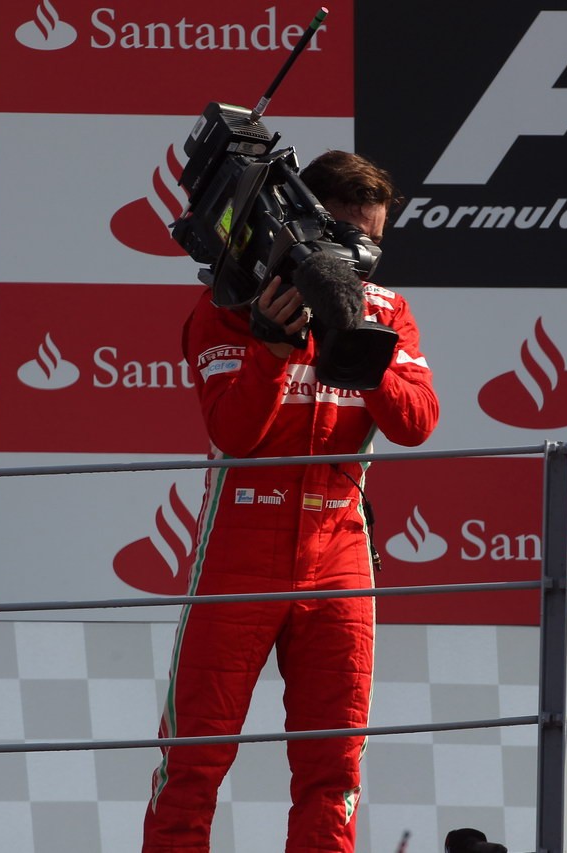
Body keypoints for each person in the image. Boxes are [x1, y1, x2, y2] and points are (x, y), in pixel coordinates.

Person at [143, 150, 439, 852]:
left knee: (333, 769)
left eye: (374, 243)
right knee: (193, 761)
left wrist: (354, 342)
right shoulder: (230, 304)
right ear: (304, 227)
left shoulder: (387, 308)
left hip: (339, 555)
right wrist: (273, 350)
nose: (361, 259)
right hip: (239, 556)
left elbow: (417, 421)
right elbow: (233, 434)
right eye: (347, 240)